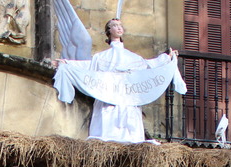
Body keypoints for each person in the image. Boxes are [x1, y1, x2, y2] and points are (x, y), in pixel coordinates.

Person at [53, 18, 182, 143]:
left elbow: (149, 65)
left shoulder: (133, 57)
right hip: (108, 95)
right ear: (109, 31)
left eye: (120, 25)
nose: (119, 28)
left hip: (128, 97)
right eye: (115, 25)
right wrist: (67, 63)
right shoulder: (101, 57)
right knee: (108, 120)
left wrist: (167, 58)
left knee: (129, 121)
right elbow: (87, 66)